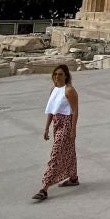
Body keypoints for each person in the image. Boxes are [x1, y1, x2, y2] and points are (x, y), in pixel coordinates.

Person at [33, 64, 79, 201]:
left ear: (66, 76)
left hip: (66, 124)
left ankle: (44, 188)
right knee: (69, 151)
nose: (57, 77)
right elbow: (52, 110)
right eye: (55, 74)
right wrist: (47, 127)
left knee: (56, 154)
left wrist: (73, 129)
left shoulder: (69, 90)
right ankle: (73, 178)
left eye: (60, 74)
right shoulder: (54, 89)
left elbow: (75, 111)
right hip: (57, 123)